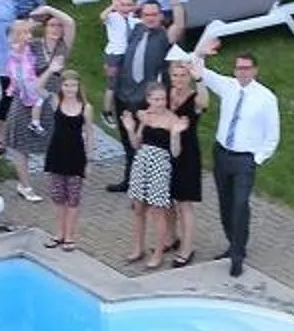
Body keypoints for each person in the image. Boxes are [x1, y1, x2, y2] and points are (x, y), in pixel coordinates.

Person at [191, 30, 282, 279]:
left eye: (246, 68)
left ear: (255, 71)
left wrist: (257, 158)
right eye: (238, 68)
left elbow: (272, 134)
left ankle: (238, 255)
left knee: (241, 204)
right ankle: (233, 242)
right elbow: (198, 70)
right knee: (225, 203)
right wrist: (201, 53)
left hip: (245, 159)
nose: (242, 72)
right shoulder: (228, 86)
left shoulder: (265, 98)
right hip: (223, 154)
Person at [2, 6, 73, 202]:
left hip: (50, 99)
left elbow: (71, 23)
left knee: (55, 142)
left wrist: (50, 9)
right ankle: (24, 184)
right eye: (51, 24)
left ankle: (57, 181)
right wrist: (32, 23)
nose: (56, 29)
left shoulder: (63, 47)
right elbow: (15, 40)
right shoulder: (33, 44)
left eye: (58, 25)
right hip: (26, 98)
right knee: (20, 144)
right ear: (44, 26)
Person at [121, 79, 183, 268]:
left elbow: (175, 152)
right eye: (156, 99)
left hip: (160, 164)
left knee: (158, 210)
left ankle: (158, 252)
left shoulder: (172, 119)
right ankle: (137, 247)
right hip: (142, 161)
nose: (159, 103)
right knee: (138, 207)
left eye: (162, 99)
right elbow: (136, 144)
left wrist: (175, 134)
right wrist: (131, 129)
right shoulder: (146, 117)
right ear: (148, 99)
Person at [109, 0, 172, 149]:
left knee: (145, 145)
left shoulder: (165, 37)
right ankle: (130, 171)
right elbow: (112, 21)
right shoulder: (136, 29)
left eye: (154, 14)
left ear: (161, 16)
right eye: (146, 14)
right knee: (127, 143)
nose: (150, 18)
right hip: (123, 96)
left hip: (146, 101)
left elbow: (180, 26)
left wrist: (176, 0)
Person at [161, 59, 207, 267]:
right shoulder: (167, 96)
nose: (179, 80)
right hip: (166, 151)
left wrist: (200, 79)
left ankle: (187, 248)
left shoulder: (194, 98)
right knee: (167, 199)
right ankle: (171, 238)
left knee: (184, 203)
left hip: (187, 154)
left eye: (183, 75)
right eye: (175, 75)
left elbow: (205, 103)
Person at [42, 70, 94, 250]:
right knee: (58, 196)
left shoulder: (86, 108)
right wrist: (50, 70)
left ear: (79, 86)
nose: (70, 89)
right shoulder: (57, 101)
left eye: (73, 85)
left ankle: (70, 235)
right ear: (61, 86)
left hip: (76, 156)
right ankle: (59, 233)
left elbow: (89, 134)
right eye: (66, 85)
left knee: (73, 197)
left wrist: (89, 161)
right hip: (56, 154)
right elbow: (37, 88)